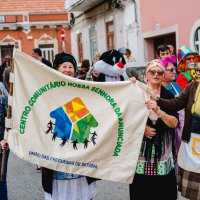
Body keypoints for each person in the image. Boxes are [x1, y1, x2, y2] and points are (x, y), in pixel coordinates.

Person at [42, 52, 97, 200]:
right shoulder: (47, 90)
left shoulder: (82, 88)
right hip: (55, 153)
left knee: (82, 193)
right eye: (64, 66)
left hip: (79, 151)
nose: (67, 69)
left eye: (71, 66)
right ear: (56, 68)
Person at [146, 63, 200, 200]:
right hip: (192, 140)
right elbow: (176, 103)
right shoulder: (192, 86)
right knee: (195, 186)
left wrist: (158, 108)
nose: (198, 72)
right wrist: (158, 99)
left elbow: (174, 121)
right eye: (196, 70)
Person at [129, 59, 178, 200]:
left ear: (163, 76)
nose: (156, 74)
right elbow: (126, 119)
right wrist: (142, 128)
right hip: (141, 155)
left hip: (163, 154)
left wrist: (158, 110)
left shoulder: (168, 96)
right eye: (152, 71)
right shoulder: (137, 93)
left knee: (164, 193)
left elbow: (174, 123)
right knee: (141, 193)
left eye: (160, 72)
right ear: (146, 75)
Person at [160, 55, 184, 178]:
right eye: (171, 70)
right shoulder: (158, 89)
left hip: (179, 127)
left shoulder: (176, 86)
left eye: (175, 69)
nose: (175, 72)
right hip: (166, 130)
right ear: (162, 72)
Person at [0, 88, 9, 200]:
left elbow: (9, 122)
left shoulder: (2, 100)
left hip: (1, 144)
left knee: (1, 179)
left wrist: (6, 138)